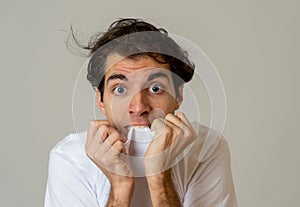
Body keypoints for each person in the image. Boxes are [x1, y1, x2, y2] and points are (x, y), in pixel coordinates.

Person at [45, 18, 238, 207]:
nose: (138, 108)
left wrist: (159, 177)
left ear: (178, 96)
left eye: (155, 88)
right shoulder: (70, 158)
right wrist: (120, 187)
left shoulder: (206, 150)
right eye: (120, 89)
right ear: (101, 100)